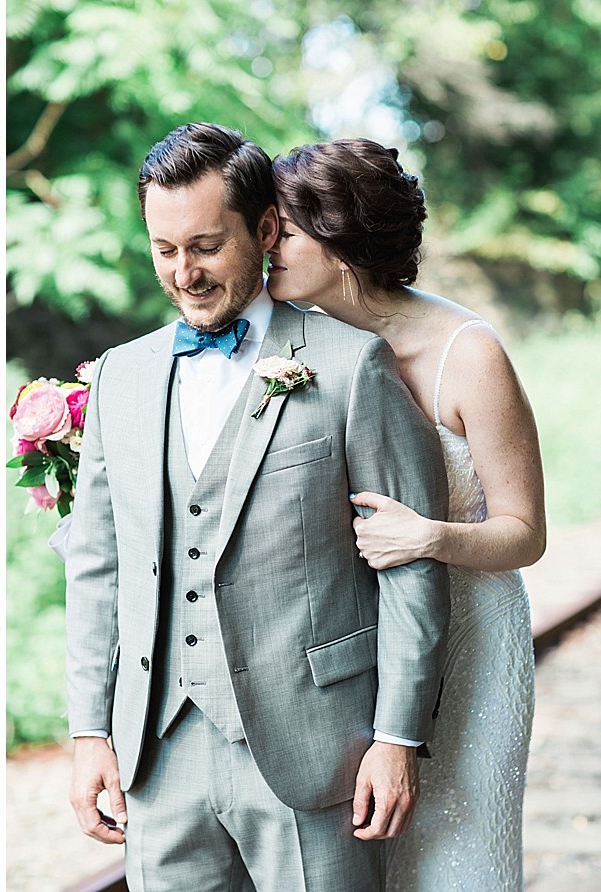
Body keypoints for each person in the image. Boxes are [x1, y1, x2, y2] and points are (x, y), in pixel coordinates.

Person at [65, 121, 451, 891]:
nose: (186, 273)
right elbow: (96, 565)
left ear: (266, 228)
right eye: (165, 250)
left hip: (319, 749)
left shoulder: (350, 365)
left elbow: (408, 565)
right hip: (158, 755)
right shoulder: (119, 377)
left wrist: (397, 736)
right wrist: (88, 730)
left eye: (206, 246)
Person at [268, 138, 544, 891]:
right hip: (355, 654)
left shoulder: (469, 353)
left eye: (284, 231)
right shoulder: (292, 343)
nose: (268, 248)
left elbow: (526, 533)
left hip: (471, 644)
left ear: (340, 238)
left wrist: (430, 535)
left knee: (460, 854)